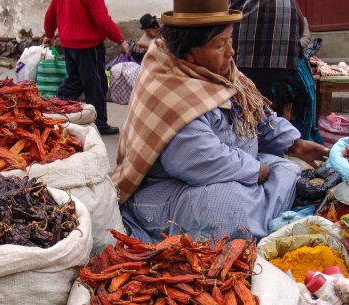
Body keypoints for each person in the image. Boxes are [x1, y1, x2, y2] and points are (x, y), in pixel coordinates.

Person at [110, 0, 329, 242]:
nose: (231, 52)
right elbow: (199, 158)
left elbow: (256, 115)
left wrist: (294, 144)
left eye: (230, 40)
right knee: (227, 206)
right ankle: (262, 215)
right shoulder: (171, 87)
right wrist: (254, 170)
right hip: (175, 187)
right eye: (219, 45)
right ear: (190, 54)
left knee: (286, 167)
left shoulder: (220, 72)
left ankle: (266, 210)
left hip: (232, 166)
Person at [229, 0, 321, 143]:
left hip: (241, 77)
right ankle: (291, 138)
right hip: (280, 79)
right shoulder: (288, 3)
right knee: (303, 74)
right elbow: (303, 33)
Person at [43, 0, 129, 135]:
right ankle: (98, 123)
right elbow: (102, 20)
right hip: (88, 44)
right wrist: (119, 39)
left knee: (74, 82)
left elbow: (50, 14)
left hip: (69, 44)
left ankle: (50, 110)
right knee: (96, 84)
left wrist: (49, 34)